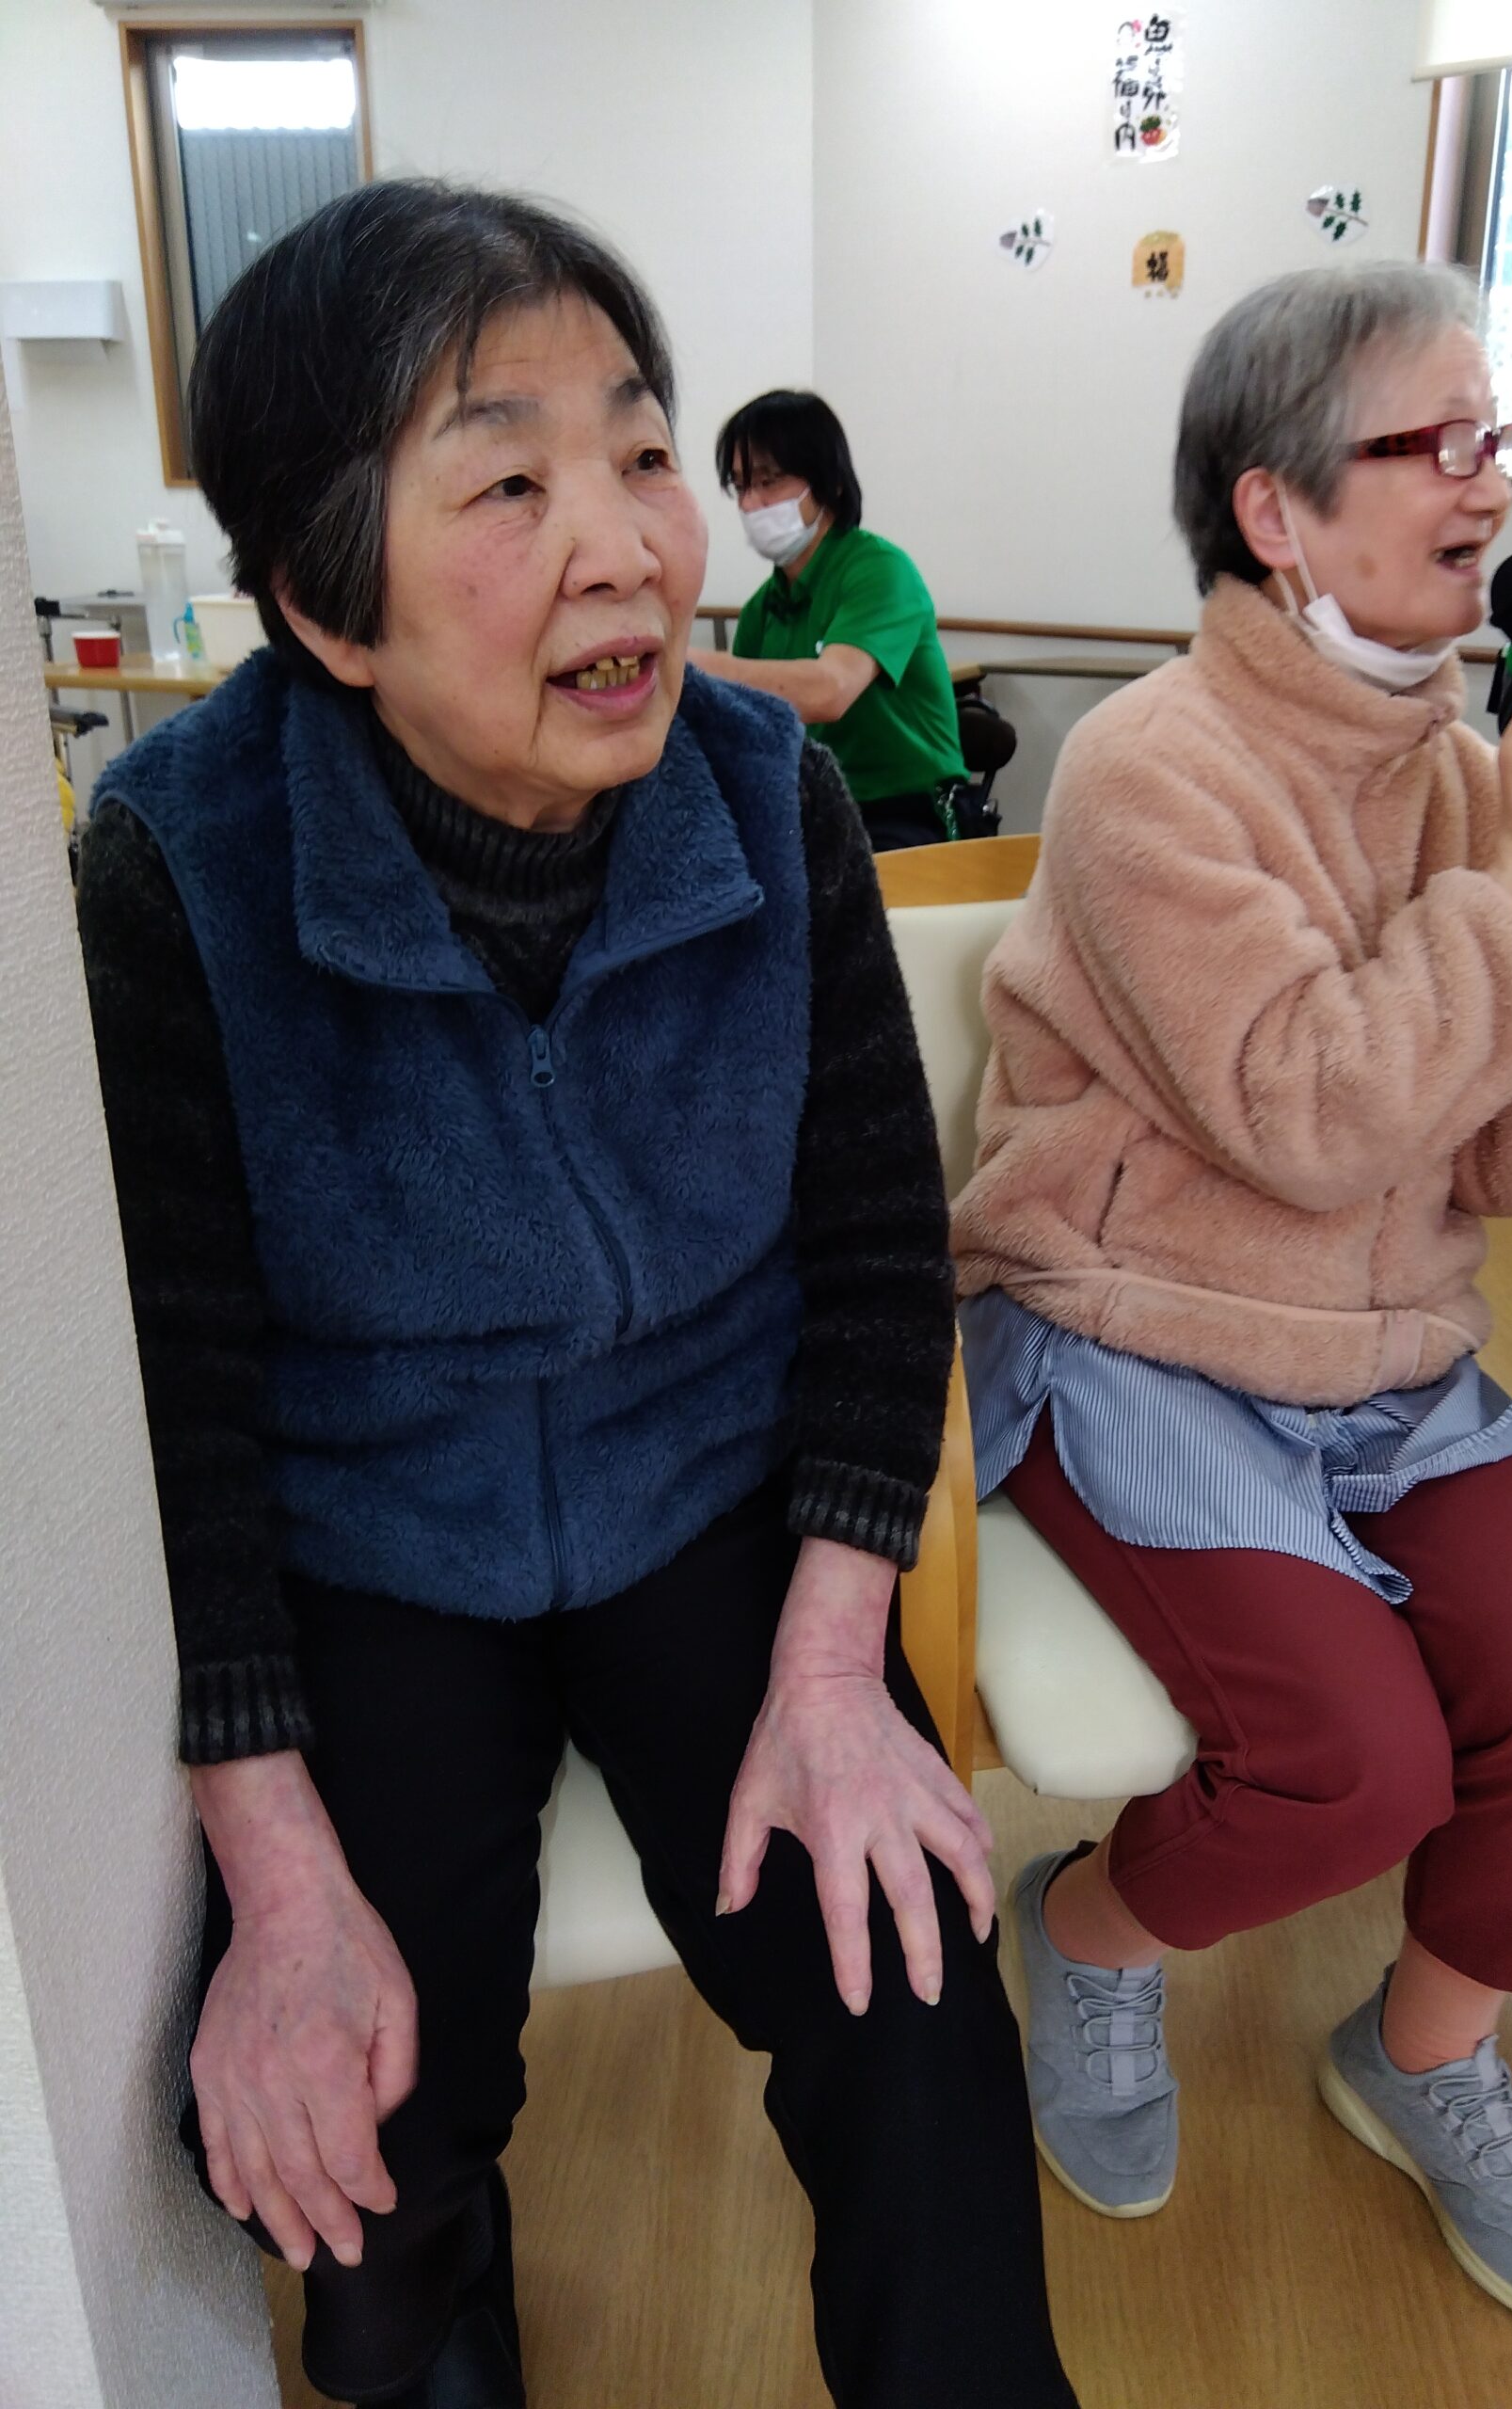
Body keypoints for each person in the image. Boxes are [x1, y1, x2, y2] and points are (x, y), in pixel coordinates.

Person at [74, 181, 1077, 2409]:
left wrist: (837, 1658)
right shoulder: (180, 865)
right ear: (324, 600)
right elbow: (178, 1401)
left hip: (707, 1504)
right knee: (362, 2140)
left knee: (907, 1981)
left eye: (641, 449)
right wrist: (273, 1861)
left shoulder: (769, 793)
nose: (631, 545)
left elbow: (878, 1247)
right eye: (510, 482)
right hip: (376, 1543)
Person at [952, 262, 1512, 2333]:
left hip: (1382, 1361)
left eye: (1499, 440)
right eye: (1439, 443)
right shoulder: (1149, 770)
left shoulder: (1470, 778)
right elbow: (1313, 1115)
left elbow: (1500, 1164)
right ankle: (1092, 1935)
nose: (1494, 485)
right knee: (1354, 1763)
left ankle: (1424, 2051)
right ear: (1276, 511)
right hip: (1139, 1330)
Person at [691, 390, 970, 851]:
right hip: (812, 809)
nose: (751, 503)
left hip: (907, 812)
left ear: (829, 482)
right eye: (741, 486)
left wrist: (687, 663)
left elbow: (830, 691)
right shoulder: (763, 608)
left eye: (769, 481)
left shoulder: (880, 570)